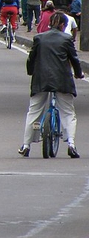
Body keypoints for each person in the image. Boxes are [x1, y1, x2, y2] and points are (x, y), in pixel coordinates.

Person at [19, 12, 83, 158]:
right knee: (68, 112)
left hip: (41, 79)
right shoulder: (67, 39)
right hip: (62, 80)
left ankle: (26, 145)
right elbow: (74, 59)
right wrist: (78, 74)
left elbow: (31, 58)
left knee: (34, 111)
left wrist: (31, 72)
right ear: (62, 25)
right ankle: (71, 144)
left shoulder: (39, 38)